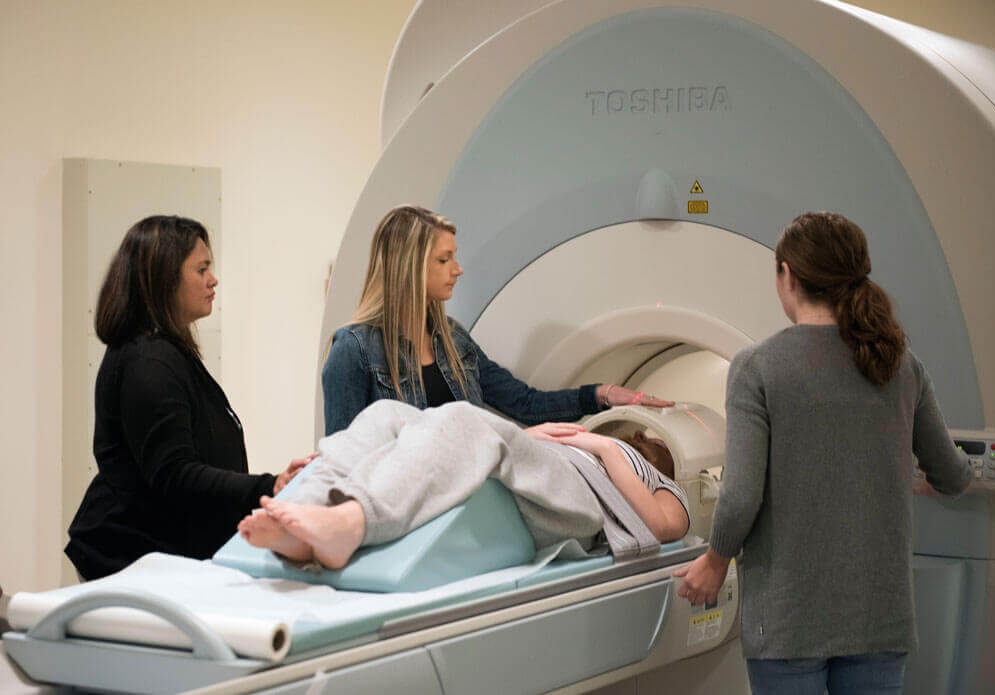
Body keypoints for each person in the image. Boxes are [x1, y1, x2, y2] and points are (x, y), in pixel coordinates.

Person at [673, 213, 972, 694]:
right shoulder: (902, 364)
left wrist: (714, 560)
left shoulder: (758, 366)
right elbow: (954, 475)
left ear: (787, 275)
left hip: (790, 621)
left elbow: (741, 493)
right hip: (879, 616)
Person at [65, 216, 311, 580]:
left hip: (163, 554)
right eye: (201, 269)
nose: (213, 279)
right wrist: (267, 486)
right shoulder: (148, 362)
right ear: (164, 279)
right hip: (133, 559)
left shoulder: (164, 353)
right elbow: (175, 474)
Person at [321, 205, 671, 434]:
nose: (458, 269)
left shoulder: (454, 342)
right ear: (408, 267)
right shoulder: (353, 351)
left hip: (468, 503)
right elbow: (346, 463)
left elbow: (526, 403)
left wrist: (603, 395)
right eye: (444, 260)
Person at [239, 399, 690, 570]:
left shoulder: (663, 480)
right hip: (545, 467)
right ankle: (303, 524)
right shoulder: (586, 441)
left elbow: (659, 526)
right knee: (387, 413)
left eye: (643, 442)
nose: (640, 439)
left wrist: (606, 449)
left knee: (462, 418)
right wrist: (529, 438)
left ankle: (352, 522)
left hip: (585, 497)